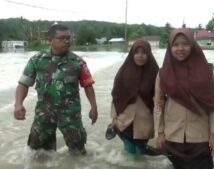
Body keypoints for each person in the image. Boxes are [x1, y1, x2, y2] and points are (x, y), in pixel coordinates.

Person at [13, 24, 98, 155]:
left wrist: (94, 107)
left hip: (70, 114)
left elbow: (88, 85)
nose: (67, 41)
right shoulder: (37, 60)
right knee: (38, 153)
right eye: (62, 38)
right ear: (50, 40)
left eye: (69, 38)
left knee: (78, 152)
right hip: (44, 113)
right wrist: (18, 104)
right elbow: (23, 84)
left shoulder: (78, 62)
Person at [154, 28, 214, 169]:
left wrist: (213, 133)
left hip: (200, 136)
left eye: (185, 44)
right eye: (175, 45)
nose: (180, 48)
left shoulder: (207, 72)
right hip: (173, 135)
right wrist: (160, 132)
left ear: (192, 45)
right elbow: (158, 104)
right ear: (170, 47)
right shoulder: (163, 73)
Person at [109, 39, 159, 155]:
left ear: (149, 54)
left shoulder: (156, 73)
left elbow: (160, 99)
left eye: (144, 53)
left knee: (141, 151)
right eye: (137, 52)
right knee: (130, 151)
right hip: (125, 120)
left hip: (145, 121)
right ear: (132, 54)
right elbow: (116, 96)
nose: (140, 56)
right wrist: (113, 118)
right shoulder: (123, 72)